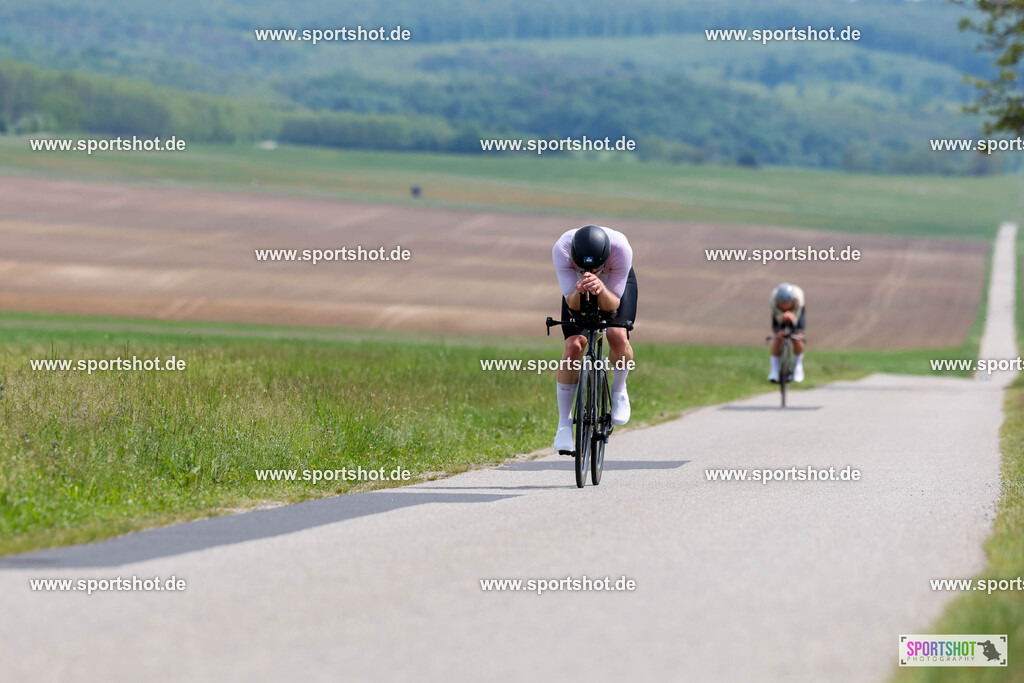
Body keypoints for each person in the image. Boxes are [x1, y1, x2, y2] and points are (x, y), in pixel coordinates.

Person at [551, 225, 637, 453]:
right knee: (573, 345)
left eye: (595, 268)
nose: (590, 271)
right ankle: (563, 424)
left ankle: (619, 389)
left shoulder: (621, 249)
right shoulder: (562, 249)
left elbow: (613, 306)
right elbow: (572, 304)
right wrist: (580, 290)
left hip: (613, 287)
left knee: (616, 335)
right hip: (576, 290)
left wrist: (600, 288)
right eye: (581, 267)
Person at [768, 282, 806, 383]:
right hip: (778, 312)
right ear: (778, 301)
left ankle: (798, 367)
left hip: (796, 312)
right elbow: (777, 315)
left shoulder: (798, 299)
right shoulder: (773, 299)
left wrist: (792, 318)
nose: (785, 306)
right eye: (782, 303)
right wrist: (781, 317)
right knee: (778, 336)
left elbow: (796, 319)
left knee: (797, 337)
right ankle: (774, 370)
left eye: (787, 303)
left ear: (792, 300)